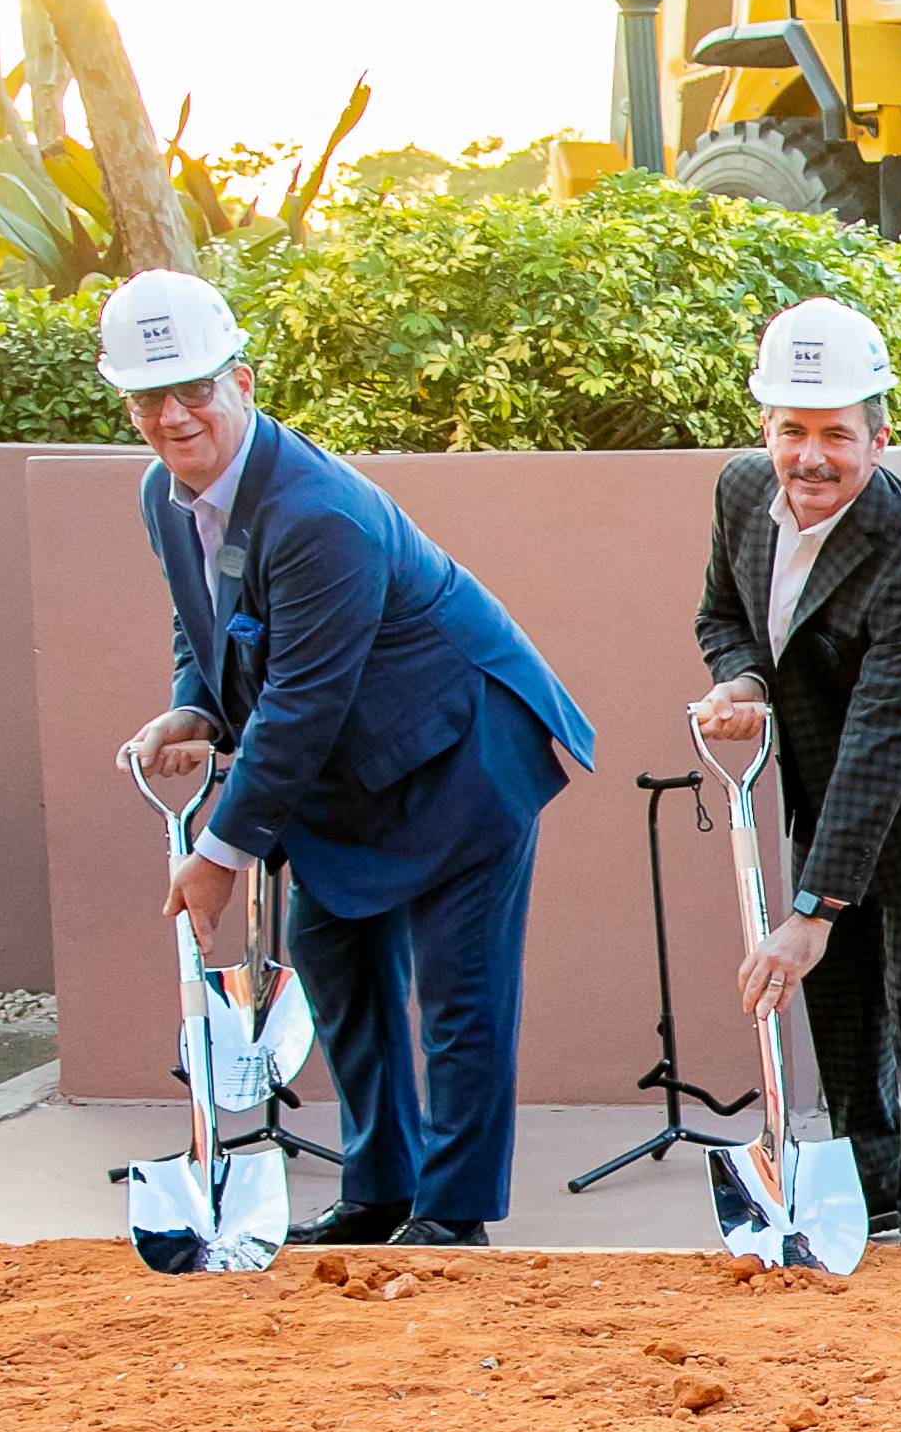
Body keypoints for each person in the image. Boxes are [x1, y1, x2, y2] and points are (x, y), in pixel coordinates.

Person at [105, 267, 594, 1248]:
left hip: (461, 751)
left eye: (195, 388)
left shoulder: (317, 512)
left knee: (458, 992)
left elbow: (301, 701)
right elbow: (200, 617)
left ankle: (453, 1213)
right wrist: (191, 707)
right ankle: (379, 1190)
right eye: (150, 396)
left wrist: (220, 854)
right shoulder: (168, 493)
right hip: (348, 771)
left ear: (242, 382)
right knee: (337, 962)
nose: (174, 414)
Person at [691, 298, 901, 1251]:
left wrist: (807, 916)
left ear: (878, 439)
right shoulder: (737, 496)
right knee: (839, 1009)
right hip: (823, 775)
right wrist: (741, 679)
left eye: (837, 433)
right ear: (766, 429)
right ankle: (871, 1195)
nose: (811, 457)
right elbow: (723, 617)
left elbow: (886, 740)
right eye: (793, 430)